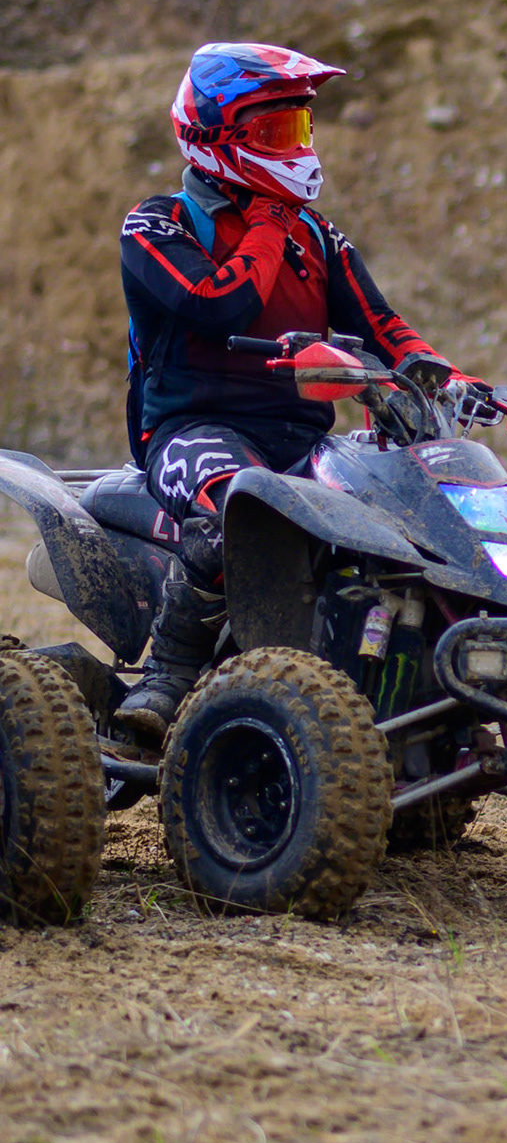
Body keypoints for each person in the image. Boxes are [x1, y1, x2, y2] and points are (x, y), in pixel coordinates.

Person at [115, 42, 454, 735]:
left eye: (300, 127)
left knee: (413, 516)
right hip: (191, 429)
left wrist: (444, 376)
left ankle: (409, 692)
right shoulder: (156, 224)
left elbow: (383, 325)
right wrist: (268, 223)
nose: (295, 148)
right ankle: (166, 676)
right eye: (274, 132)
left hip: (301, 439)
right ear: (214, 139)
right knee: (236, 511)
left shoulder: (317, 235)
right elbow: (218, 304)